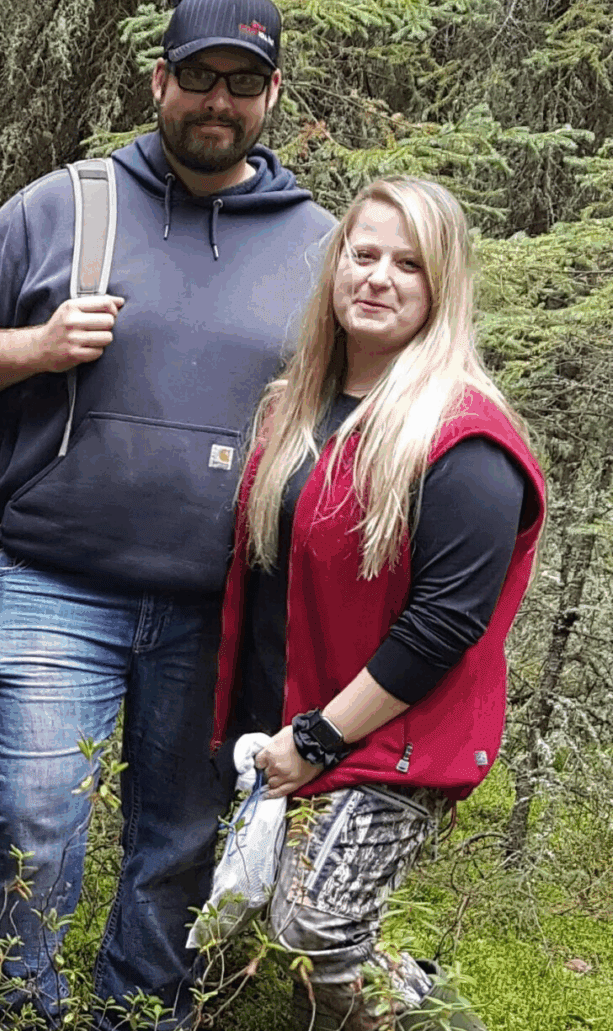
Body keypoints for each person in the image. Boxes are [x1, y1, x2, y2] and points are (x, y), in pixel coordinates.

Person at [0, 0, 339, 1029]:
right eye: (198, 76)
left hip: (221, 604)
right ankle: (12, 1012)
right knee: (33, 822)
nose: (218, 100)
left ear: (271, 96)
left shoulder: (319, 245)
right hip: (55, 581)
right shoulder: (66, 205)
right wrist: (34, 347)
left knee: (177, 843)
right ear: (158, 80)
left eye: (242, 82)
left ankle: (139, 1014)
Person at [213, 177, 545, 1031]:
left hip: (394, 735)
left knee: (313, 924)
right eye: (362, 255)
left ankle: (434, 1018)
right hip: (290, 715)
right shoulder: (295, 408)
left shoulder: (465, 438)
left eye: (408, 264)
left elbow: (444, 623)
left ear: (442, 287)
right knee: (288, 933)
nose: (377, 278)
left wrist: (317, 739)